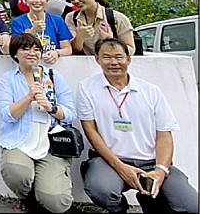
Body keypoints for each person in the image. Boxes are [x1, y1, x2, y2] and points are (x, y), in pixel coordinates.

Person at [76, 38, 198, 214]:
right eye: (107, 57)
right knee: (101, 189)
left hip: (150, 162)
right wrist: (121, 167)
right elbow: (90, 131)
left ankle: (150, 199)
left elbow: (164, 135)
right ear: (97, 59)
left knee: (192, 206)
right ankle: (119, 210)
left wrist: (160, 170)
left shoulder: (150, 91)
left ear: (128, 59)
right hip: (111, 161)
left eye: (119, 57)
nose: (114, 62)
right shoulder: (87, 88)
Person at [0, 33, 76, 213]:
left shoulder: (54, 77)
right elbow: (7, 114)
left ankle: (48, 193)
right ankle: (28, 198)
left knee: (57, 203)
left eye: (36, 49)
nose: (32, 53)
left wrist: (51, 108)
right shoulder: (7, 80)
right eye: (25, 49)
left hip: (51, 143)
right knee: (16, 173)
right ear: (15, 54)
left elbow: (71, 114)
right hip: (20, 141)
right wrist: (29, 97)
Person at [65, 0, 136, 56]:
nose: (76, 1)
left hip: (111, 64)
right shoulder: (71, 18)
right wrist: (80, 36)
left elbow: (131, 49)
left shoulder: (117, 18)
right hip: (86, 64)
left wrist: (110, 41)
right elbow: (74, 49)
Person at [11, 0, 73, 64]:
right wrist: (33, 31)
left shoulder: (57, 20)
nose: (37, 1)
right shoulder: (18, 22)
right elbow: (16, 49)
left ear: (47, 0)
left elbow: (68, 49)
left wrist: (57, 53)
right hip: (29, 65)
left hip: (53, 66)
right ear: (26, 1)